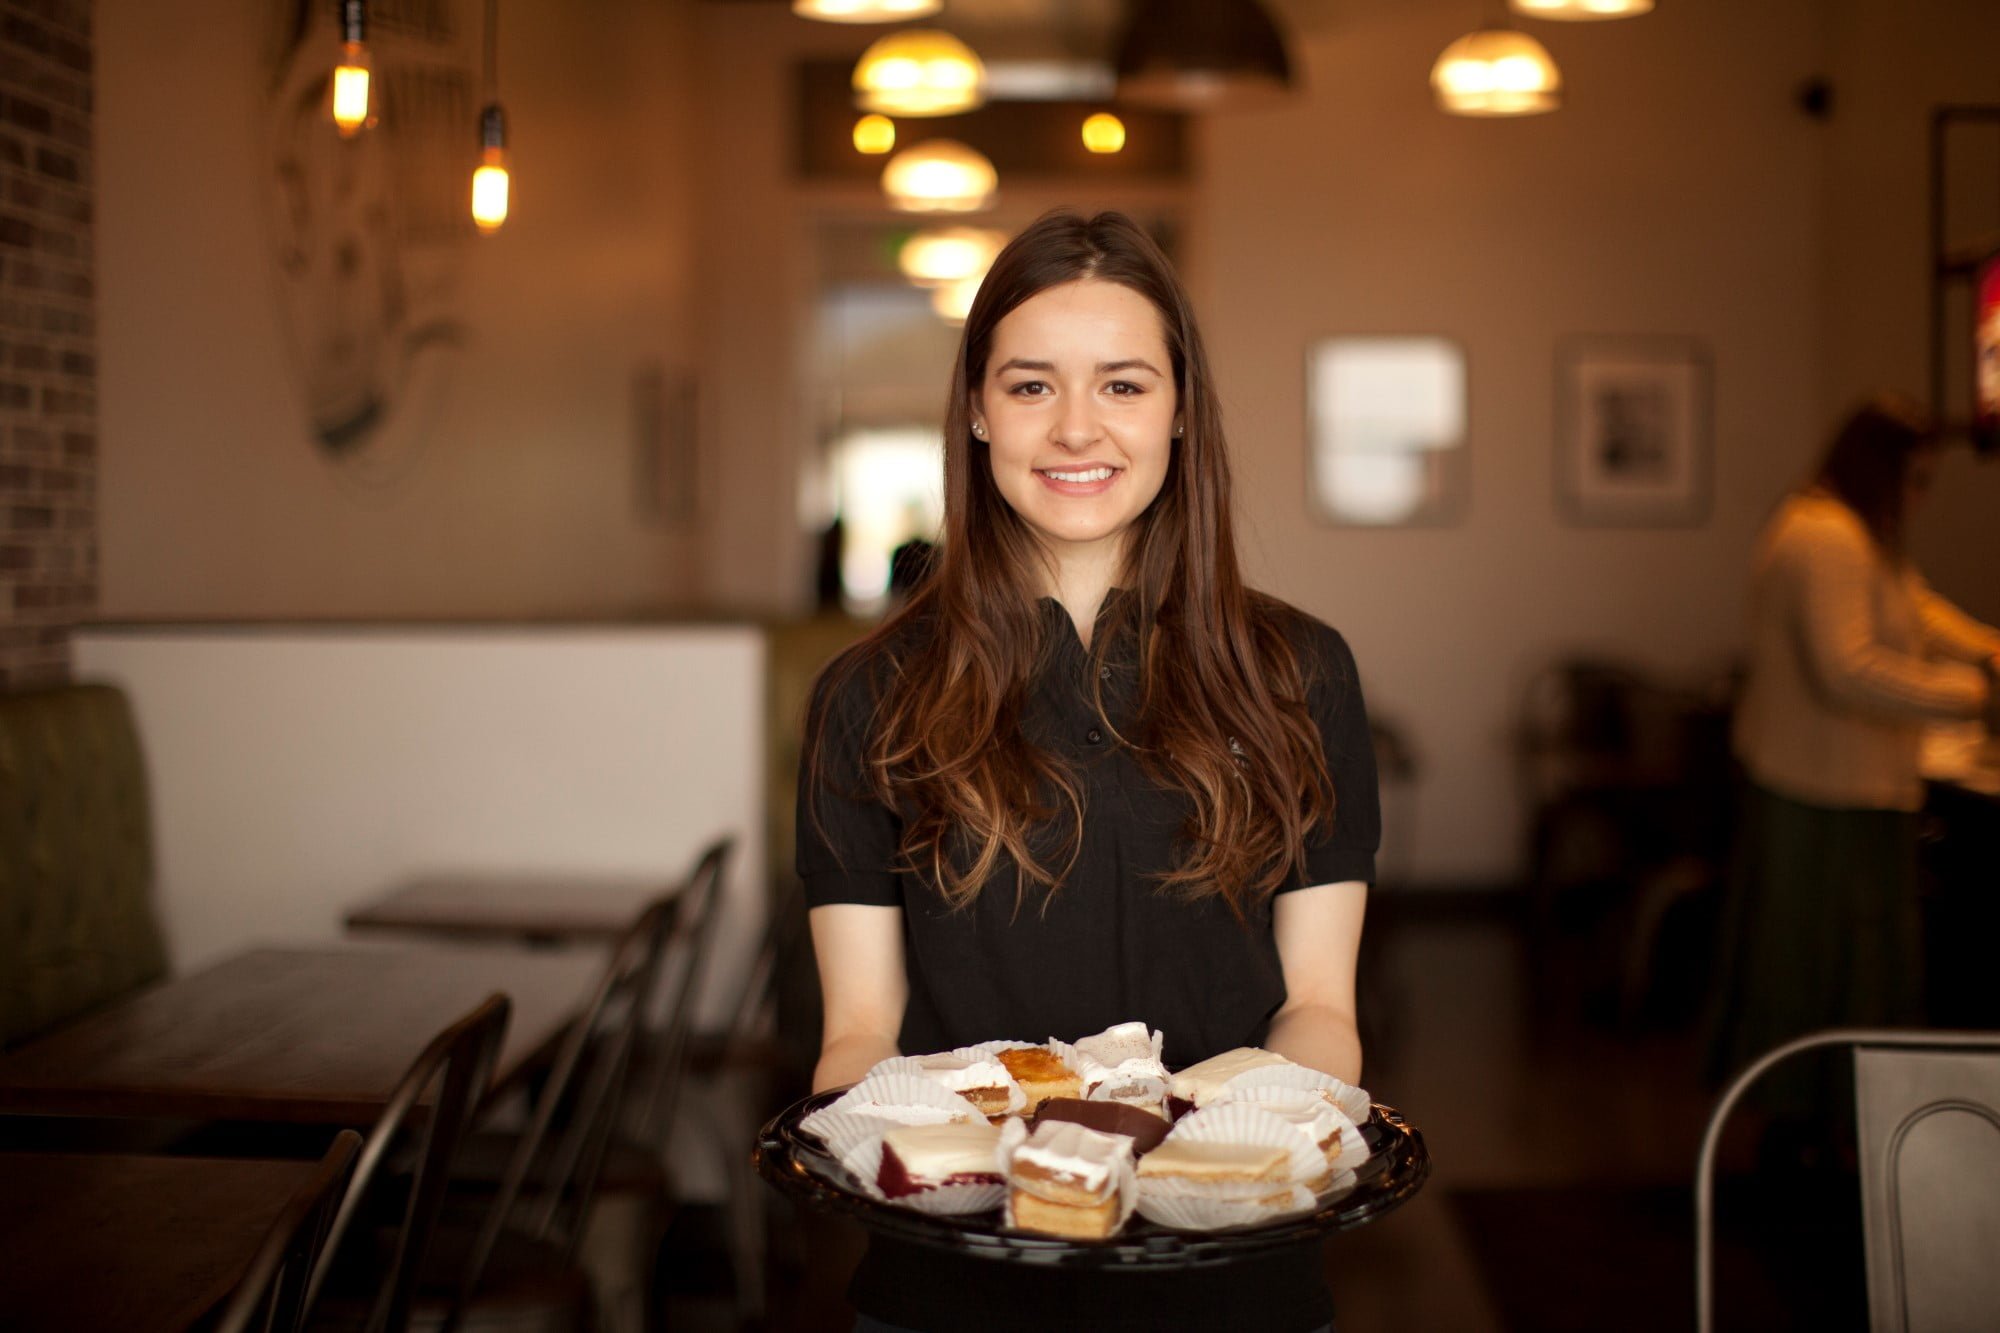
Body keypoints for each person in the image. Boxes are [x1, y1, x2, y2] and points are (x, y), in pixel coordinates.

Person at [797, 210, 1379, 1333]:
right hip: (951, 1289)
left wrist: (1216, 1166)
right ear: (974, 408)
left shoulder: (1298, 673)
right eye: (1028, 386)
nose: (1075, 429)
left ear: (1178, 409)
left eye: (1121, 384)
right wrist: (904, 1159)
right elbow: (860, 1028)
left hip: (1231, 1281)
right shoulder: (867, 695)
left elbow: (1316, 1006)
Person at [1709, 394, 2000, 1094]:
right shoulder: (1825, 536)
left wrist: (1990, 649)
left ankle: (1840, 1120)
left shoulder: (1864, 534)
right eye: (1916, 479)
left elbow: (1917, 610)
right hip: (1822, 791)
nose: (1921, 497)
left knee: (1853, 964)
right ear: (1880, 467)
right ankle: (1812, 1118)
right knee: (1821, 965)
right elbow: (1849, 669)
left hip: (1853, 786)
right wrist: (1971, 695)